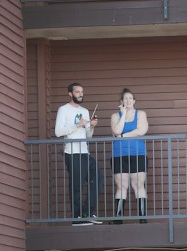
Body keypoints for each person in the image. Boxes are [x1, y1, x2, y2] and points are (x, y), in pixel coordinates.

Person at [55, 82, 102, 225]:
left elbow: (88, 136)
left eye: (82, 92)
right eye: (77, 92)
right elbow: (58, 132)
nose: (80, 94)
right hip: (72, 152)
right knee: (76, 185)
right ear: (70, 94)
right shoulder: (64, 110)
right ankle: (77, 218)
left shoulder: (86, 111)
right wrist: (77, 125)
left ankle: (88, 212)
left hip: (84, 152)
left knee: (97, 178)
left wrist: (91, 126)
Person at [109, 88, 149, 224]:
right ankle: (118, 218)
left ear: (134, 101)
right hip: (119, 154)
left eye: (130, 98)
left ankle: (142, 218)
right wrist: (123, 113)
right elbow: (116, 130)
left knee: (138, 185)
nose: (128, 101)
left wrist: (123, 136)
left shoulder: (141, 114)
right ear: (121, 102)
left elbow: (142, 130)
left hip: (138, 153)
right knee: (121, 186)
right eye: (125, 99)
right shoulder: (115, 116)